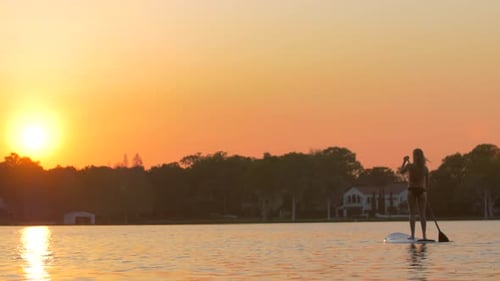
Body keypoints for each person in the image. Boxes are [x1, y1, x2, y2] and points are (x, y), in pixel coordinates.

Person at [399, 148, 430, 240]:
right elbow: (427, 184)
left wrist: (404, 161)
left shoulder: (410, 166)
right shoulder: (425, 168)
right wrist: (426, 191)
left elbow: (401, 172)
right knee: (422, 214)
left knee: (412, 214)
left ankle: (412, 235)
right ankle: (424, 235)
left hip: (412, 190)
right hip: (422, 191)